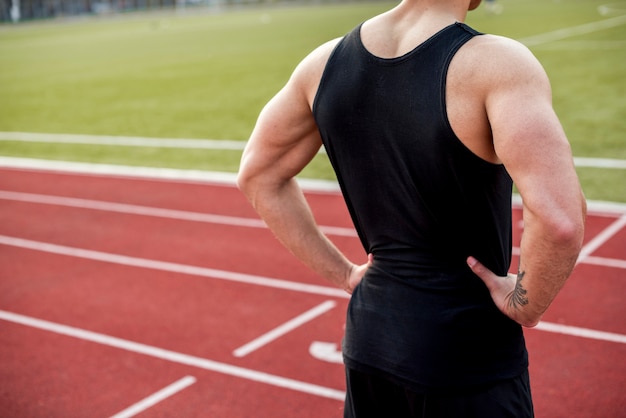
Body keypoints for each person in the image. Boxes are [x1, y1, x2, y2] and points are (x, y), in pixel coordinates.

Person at [237, 0, 587, 416]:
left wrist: (345, 274)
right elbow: (560, 220)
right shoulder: (495, 64)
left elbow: (257, 176)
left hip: (370, 341)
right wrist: (526, 304)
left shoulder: (322, 64)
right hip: (466, 353)